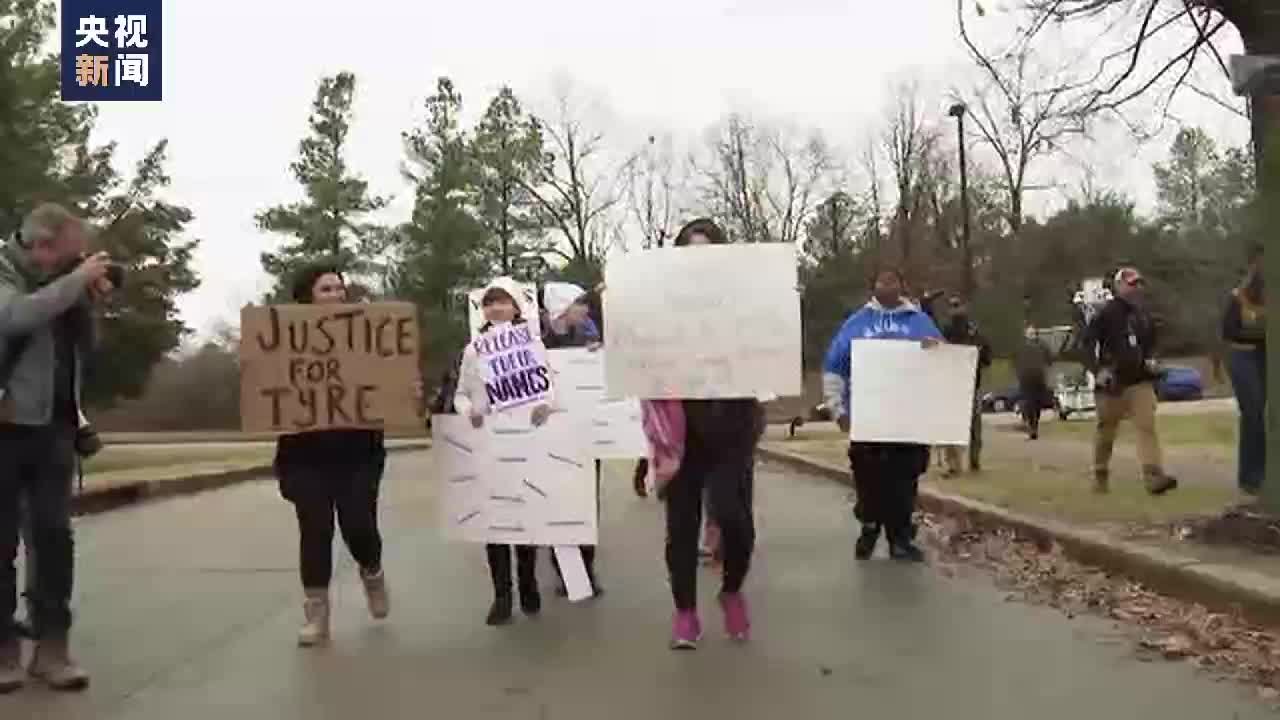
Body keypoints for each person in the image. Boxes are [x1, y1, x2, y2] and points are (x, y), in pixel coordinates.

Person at [0, 203, 117, 692]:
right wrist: (73, 282)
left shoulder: (63, 283)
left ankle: (53, 649)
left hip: (55, 428)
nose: (74, 264)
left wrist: (88, 298)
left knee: (53, 539)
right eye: (69, 256)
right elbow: (14, 317)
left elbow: (85, 350)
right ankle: (3, 649)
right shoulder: (4, 270)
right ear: (41, 245)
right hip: (5, 425)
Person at [653, 217, 765, 650]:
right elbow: (634, 347)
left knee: (733, 517)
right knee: (681, 527)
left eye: (707, 251)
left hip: (732, 425)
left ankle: (732, 588)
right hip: (680, 430)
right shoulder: (662, 306)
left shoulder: (741, 304)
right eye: (689, 252)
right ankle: (685, 613)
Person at [273, 263, 395, 648]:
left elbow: (390, 379)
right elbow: (264, 380)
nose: (336, 296)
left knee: (359, 524)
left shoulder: (366, 335)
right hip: (304, 454)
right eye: (326, 289)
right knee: (315, 529)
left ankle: (372, 572)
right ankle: (316, 613)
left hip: (358, 451)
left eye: (340, 289)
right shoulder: (282, 339)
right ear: (307, 296)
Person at [823, 267, 943, 563]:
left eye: (893, 280)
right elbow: (835, 365)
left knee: (905, 479)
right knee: (868, 477)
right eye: (881, 280)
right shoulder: (856, 323)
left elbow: (943, 363)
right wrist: (836, 408)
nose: (887, 285)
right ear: (873, 286)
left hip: (908, 419)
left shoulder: (920, 321)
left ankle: (900, 538)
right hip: (867, 418)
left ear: (902, 286)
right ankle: (870, 524)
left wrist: (937, 352)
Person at [453, 280, 555, 626]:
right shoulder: (474, 350)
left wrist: (544, 407)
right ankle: (501, 595)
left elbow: (550, 389)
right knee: (495, 523)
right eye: (490, 303)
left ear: (516, 307)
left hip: (525, 442)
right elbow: (461, 395)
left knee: (524, 519)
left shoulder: (534, 345)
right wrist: (470, 413)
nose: (496, 309)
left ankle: (528, 585)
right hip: (488, 444)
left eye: (503, 302)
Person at [1080, 267, 1177, 495]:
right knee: (1106, 432)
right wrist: (1098, 370)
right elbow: (1085, 346)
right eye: (1131, 284)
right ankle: (1100, 472)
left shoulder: (1143, 315)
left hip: (1139, 381)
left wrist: (1153, 361)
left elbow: (1152, 345)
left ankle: (1153, 475)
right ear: (1119, 286)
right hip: (1112, 384)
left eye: (1139, 284)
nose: (1136, 289)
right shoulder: (1105, 314)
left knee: (1146, 427)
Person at [541, 282, 605, 596]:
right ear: (564, 308)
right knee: (558, 504)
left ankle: (586, 571)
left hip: (585, 435)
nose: (587, 310)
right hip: (549, 436)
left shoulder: (588, 338)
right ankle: (567, 571)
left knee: (586, 505)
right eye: (581, 304)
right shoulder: (537, 340)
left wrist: (596, 356)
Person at [1223, 244, 1265, 495]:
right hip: (1243, 357)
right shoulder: (1238, 297)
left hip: (1265, 358)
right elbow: (1228, 332)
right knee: (1253, 411)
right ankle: (1250, 476)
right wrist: (1260, 334)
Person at [941, 295, 992, 474]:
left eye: (957, 306)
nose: (956, 310)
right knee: (960, 425)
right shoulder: (948, 331)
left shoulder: (972, 332)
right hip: (956, 383)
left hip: (970, 383)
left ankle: (970, 461)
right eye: (953, 306)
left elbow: (986, 356)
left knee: (969, 425)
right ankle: (957, 463)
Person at [1014, 325, 1053, 440]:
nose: (1031, 335)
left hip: (1039, 378)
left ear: (1036, 334)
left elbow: (1049, 359)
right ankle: (1032, 427)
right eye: (1029, 333)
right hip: (1026, 379)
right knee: (1029, 402)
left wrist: (1045, 369)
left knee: (1038, 403)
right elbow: (1016, 361)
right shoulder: (1021, 347)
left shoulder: (1042, 346)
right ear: (1025, 334)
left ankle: (1034, 425)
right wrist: (1019, 373)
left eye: (1033, 333)